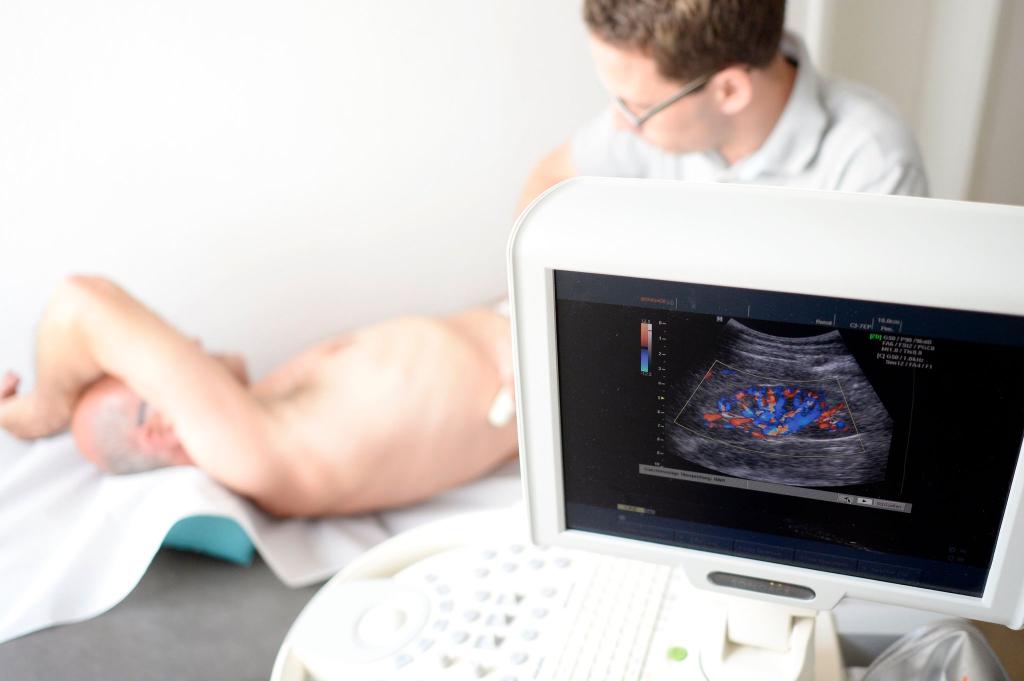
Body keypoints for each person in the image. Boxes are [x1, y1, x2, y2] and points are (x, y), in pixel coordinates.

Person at [0, 276, 516, 517]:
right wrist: (42, 410)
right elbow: (82, 304)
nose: (189, 345)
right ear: (162, 427)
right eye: (161, 369)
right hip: (551, 364)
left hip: (526, 316)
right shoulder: (259, 450)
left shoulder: (272, 406)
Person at [518, 0, 928, 212]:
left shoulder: (872, 164)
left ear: (729, 91)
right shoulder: (648, 121)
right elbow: (548, 181)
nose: (620, 124)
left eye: (638, 106)